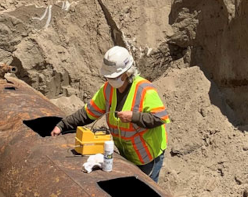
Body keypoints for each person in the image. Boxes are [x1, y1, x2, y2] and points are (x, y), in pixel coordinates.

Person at [51, 46, 169, 182]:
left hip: (148, 156)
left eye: (113, 76)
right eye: (108, 76)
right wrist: (62, 125)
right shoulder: (108, 89)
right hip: (128, 154)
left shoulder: (144, 89)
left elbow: (160, 118)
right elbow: (88, 113)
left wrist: (133, 117)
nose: (109, 79)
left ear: (127, 73)